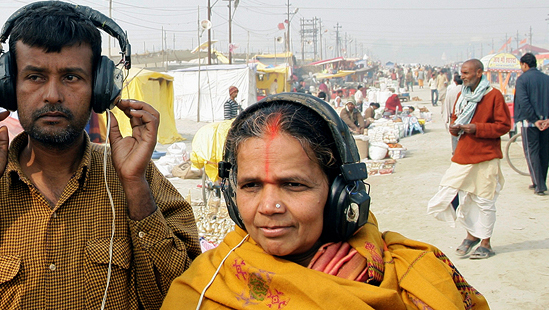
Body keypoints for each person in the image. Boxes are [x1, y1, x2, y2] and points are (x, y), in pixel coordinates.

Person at [0, 2, 200, 309]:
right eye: (35, 77)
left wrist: (134, 187)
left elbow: (183, 299)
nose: (52, 95)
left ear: (101, 87)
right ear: (8, 86)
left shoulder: (140, 178)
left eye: (71, 77)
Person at [161, 93, 489, 309]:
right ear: (232, 196)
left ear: (341, 193)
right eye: (251, 185)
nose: (268, 206)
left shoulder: (415, 275)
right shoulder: (203, 290)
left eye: (293, 185)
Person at [427, 59, 511, 260]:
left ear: (479, 73)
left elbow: (504, 125)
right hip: (463, 155)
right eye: (462, 73)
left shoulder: (494, 96)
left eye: (466, 73)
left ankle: (485, 242)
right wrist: (454, 128)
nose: (462, 76)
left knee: (484, 200)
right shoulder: (462, 96)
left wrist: (477, 128)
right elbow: (455, 119)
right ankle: (471, 235)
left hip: (486, 156)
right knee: (462, 198)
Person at [514, 53, 549, 195]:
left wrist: (535, 120)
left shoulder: (522, 80)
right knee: (544, 151)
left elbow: (524, 102)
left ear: (524, 65)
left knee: (531, 152)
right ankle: (540, 181)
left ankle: (539, 185)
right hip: (546, 122)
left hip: (531, 124)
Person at [442, 74, 464, 153]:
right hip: (465, 116)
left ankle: (455, 152)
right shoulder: (467, 91)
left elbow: (446, 105)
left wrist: (446, 118)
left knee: (454, 136)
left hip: (453, 116)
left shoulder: (451, 91)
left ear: (455, 81)